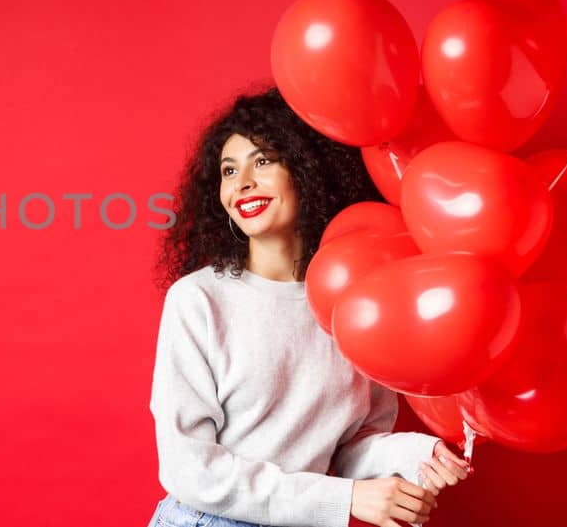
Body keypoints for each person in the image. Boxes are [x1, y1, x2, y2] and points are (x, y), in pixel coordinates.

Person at [146, 86, 471, 527]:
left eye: (262, 161)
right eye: (228, 169)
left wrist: (417, 453)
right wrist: (345, 499)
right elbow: (190, 470)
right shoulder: (199, 300)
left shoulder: (356, 300)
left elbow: (353, 445)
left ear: (306, 169)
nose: (242, 182)